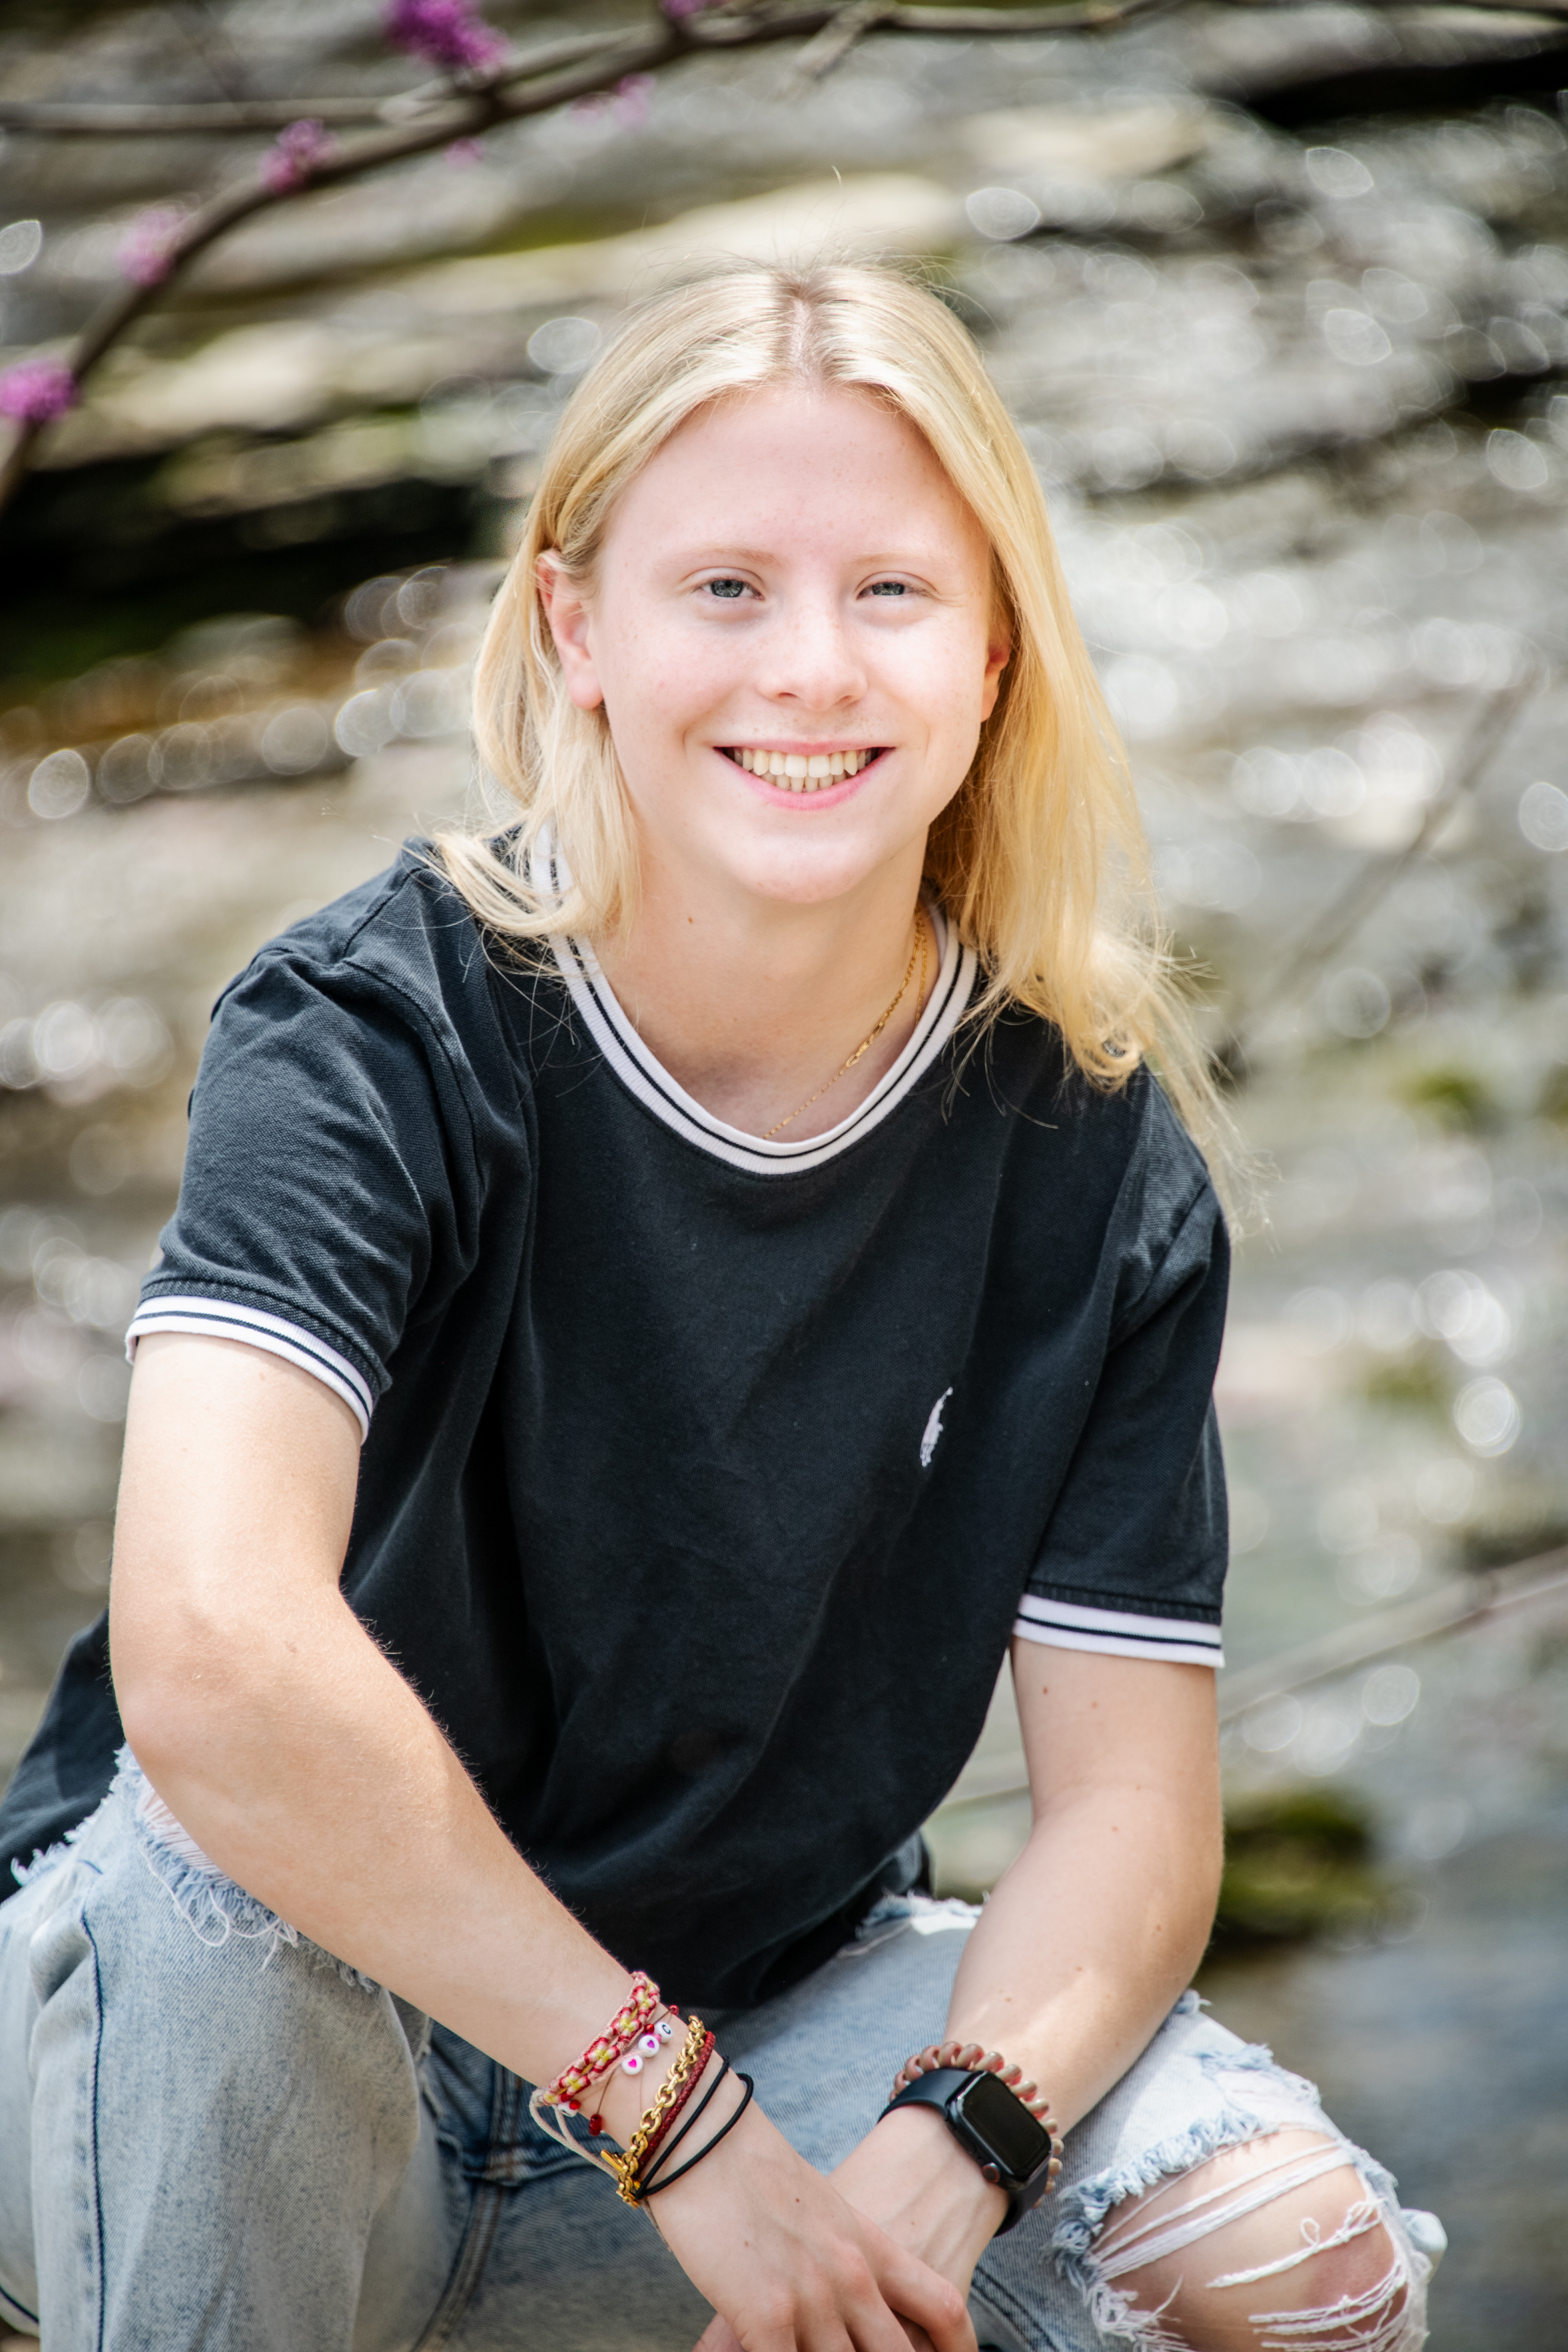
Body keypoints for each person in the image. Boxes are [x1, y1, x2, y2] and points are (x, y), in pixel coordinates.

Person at [0, 264, 1438, 2352]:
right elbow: (214, 1657)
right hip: (231, 2040)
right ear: (579, 633)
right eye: (729, 589)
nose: (813, 669)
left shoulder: (1088, 1151)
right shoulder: (374, 1032)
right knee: (238, 1864)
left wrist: (949, 2150)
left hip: (750, 2030)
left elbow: (1131, 1813)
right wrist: (673, 2121)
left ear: (994, 653)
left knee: (1299, 2271)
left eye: (893, 592)